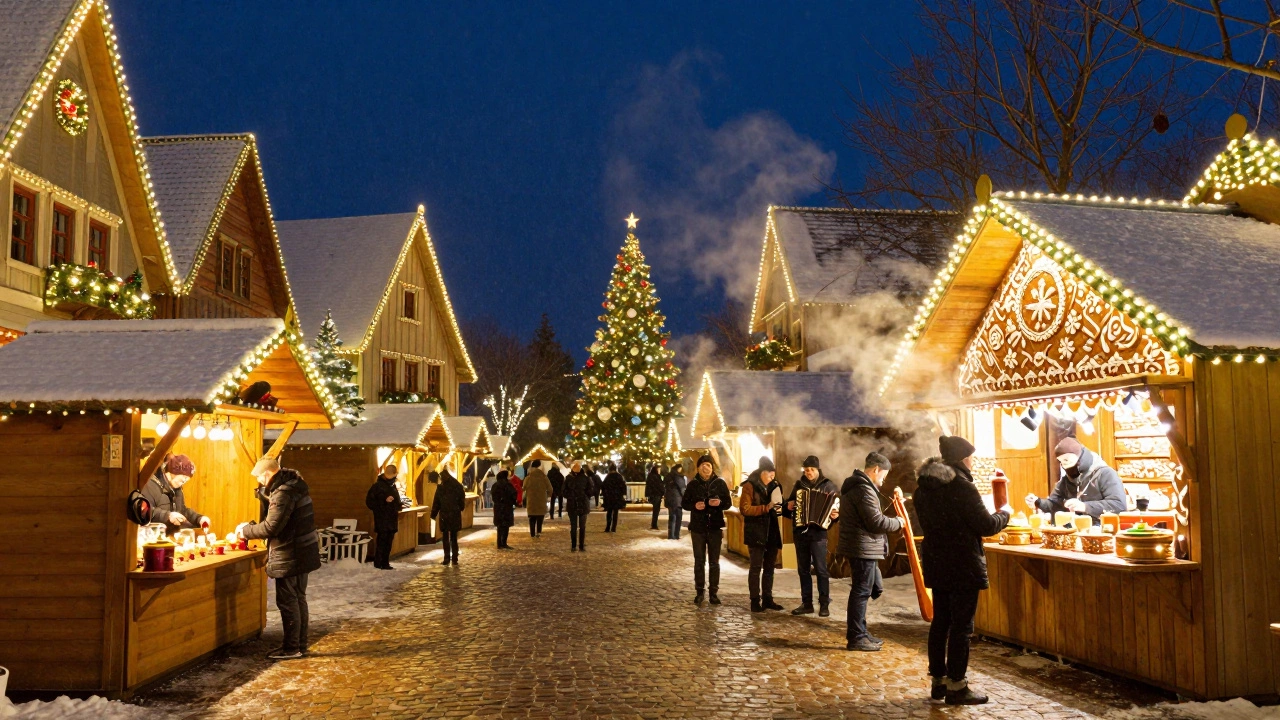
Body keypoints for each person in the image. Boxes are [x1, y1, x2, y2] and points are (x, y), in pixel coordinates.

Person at [915, 436, 1012, 705]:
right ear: (962, 459)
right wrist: (1005, 513)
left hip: (938, 562)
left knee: (941, 623)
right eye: (970, 456)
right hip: (962, 565)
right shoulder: (962, 488)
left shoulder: (924, 487)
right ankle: (957, 686)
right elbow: (986, 526)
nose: (972, 461)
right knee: (961, 627)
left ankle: (939, 682)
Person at [237, 457, 322, 660]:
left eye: (259, 477)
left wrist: (244, 531)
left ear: (267, 474)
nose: (259, 481)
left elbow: (271, 527)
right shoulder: (295, 486)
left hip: (291, 552)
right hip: (303, 550)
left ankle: (292, 648)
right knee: (298, 598)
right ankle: (299, 645)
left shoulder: (283, 492)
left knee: (288, 600)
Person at [838, 452, 904, 651]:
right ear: (875, 470)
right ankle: (857, 637)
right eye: (883, 475)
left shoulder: (861, 487)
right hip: (862, 547)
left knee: (864, 590)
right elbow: (875, 522)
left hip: (863, 546)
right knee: (861, 591)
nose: (884, 480)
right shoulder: (864, 489)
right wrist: (898, 522)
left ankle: (861, 632)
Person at [783, 455, 840, 617]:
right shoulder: (798, 485)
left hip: (819, 534)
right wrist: (789, 506)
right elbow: (788, 510)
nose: (808, 473)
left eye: (811, 470)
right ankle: (807, 603)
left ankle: (824, 604)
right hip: (800, 533)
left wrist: (836, 515)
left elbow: (836, 508)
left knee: (821, 570)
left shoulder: (828, 486)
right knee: (803, 570)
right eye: (806, 470)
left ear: (818, 470)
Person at [1026, 437, 1126, 524]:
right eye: (1060, 461)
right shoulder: (1066, 480)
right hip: (1074, 533)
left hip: (1102, 531)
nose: (1064, 465)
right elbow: (1055, 505)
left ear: (1080, 457)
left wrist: (1085, 506)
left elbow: (1119, 505)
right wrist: (1038, 502)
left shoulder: (1106, 474)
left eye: (1066, 460)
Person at [683, 455, 731, 605]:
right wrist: (694, 506)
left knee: (714, 562)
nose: (706, 467)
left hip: (715, 527)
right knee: (699, 561)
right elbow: (684, 503)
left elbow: (728, 503)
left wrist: (720, 503)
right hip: (698, 528)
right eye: (703, 465)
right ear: (698, 468)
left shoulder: (719, 483)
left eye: (708, 465)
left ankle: (713, 593)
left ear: (712, 468)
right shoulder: (693, 484)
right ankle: (699, 592)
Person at [739, 456, 784, 613]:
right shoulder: (749, 486)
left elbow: (778, 506)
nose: (772, 477)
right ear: (762, 472)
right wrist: (765, 507)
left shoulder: (774, 486)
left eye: (773, 474)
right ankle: (754, 600)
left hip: (771, 531)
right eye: (770, 474)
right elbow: (745, 509)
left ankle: (767, 599)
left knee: (770, 568)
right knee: (756, 567)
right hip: (756, 532)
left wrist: (780, 508)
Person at [142, 454, 210, 537]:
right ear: (172, 473)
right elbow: (144, 511)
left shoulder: (177, 488)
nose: (185, 481)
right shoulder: (150, 485)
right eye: (183, 478)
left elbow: (182, 511)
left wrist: (199, 519)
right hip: (153, 538)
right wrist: (168, 516)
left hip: (172, 539)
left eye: (186, 479)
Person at [364, 463, 402, 570]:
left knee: (388, 542)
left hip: (391, 519)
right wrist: (384, 502)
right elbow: (370, 503)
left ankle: (385, 562)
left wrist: (398, 505)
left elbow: (397, 501)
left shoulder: (392, 486)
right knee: (382, 541)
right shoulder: (377, 487)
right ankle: (379, 562)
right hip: (382, 519)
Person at [430, 470, 466, 565]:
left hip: (444, 515)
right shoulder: (457, 486)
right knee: (454, 537)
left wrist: (433, 514)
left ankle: (447, 558)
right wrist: (460, 508)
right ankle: (454, 558)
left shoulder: (441, 488)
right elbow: (462, 501)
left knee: (445, 537)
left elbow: (436, 502)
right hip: (454, 514)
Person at [563, 460, 593, 551]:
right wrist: (584, 496)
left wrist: (570, 496)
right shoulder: (585, 478)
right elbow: (590, 490)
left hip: (574, 504)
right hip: (582, 504)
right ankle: (580, 545)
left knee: (574, 526)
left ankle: (574, 545)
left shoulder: (568, 478)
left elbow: (564, 491)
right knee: (581, 526)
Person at [523, 460, 552, 537]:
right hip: (541, 500)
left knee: (532, 518)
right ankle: (538, 532)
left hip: (531, 500)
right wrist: (547, 496)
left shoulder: (528, 478)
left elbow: (524, 488)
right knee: (540, 517)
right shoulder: (544, 477)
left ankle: (532, 533)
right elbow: (550, 489)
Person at [491, 470, 516, 549]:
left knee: (499, 526)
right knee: (506, 526)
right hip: (507, 507)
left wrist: (498, 502)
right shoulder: (508, 485)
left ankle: (499, 543)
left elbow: (493, 496)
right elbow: (513, 495)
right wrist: (512, 502)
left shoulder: (495, 485)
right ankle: (504, 542)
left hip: (498, 507)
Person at [602, 462, 628, 532]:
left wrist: (604, 495)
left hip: (609, 497)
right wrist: (622, 494)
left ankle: (607, 527)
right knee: (615, 512)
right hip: (617, 497)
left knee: (609, 512)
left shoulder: (608, 477)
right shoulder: (619, 476)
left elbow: (604, 487)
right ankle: (613, 528)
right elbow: (623, 486)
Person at [663, 463, 687, 540]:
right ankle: (676, 534)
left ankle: (671, 535)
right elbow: (682, 489)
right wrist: (686, 497)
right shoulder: (678, 477)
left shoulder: (668, 476)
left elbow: (664, 486)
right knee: (678, 518)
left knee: (672, 517)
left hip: (670, 500)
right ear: (678, 469)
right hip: (677, 500)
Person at [645, 464, 665, 530]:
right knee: (656, 510)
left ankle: (654, 524)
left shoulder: (650, 476)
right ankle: (654, 524)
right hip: (656, 495)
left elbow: (648, 486)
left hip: (653, 495)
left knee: (656, 510)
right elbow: (659, 486)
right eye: (659, 469)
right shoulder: (656, 477)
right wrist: (662, 492)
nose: (659, 471)